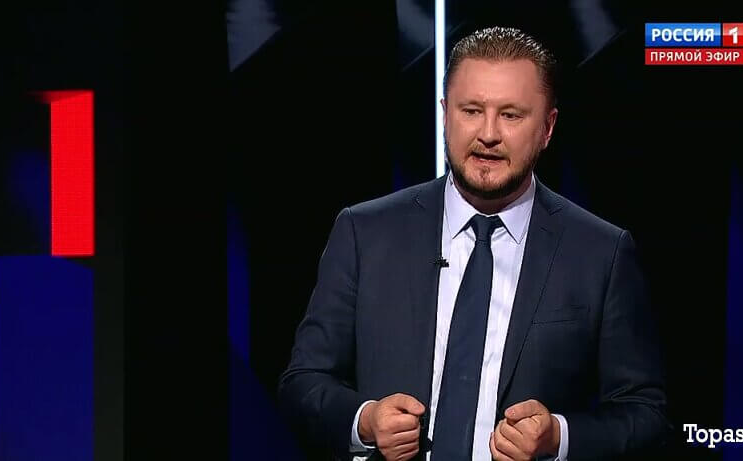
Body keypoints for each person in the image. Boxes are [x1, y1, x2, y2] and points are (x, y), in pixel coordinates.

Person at [279, 26, 670, 461]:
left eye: (511, 115)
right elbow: (303, 383)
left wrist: (558, 437)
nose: (488, 134)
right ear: (445, 115)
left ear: (547, 127)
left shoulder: (601, 252)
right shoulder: (364, 232)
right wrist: (365, 420)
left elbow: (645, 414)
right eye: (471, 110)